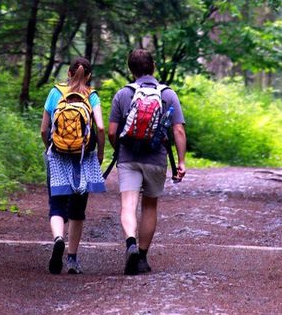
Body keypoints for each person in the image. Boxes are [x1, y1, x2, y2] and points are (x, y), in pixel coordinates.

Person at [107, 46, 186, 275]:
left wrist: (120, 150)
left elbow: (112, 131)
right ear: (153, 66)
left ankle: (130, 242)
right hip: (156, 158)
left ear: (131, 70)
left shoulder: (123, 94)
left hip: (129, 157)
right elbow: (178, 130)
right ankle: (141, 256)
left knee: (128, 205)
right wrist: (181, 162)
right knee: (149, 205)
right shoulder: (167, 94)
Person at [41, 56, 106, 274]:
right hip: (83, 158)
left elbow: (43, 129)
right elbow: (101, 128)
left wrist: (51, 146)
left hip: (57, 156)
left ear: (68, 73)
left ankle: (58, 238)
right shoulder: (92, 96)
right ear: (88, 76)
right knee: (78, 211)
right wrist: (100, 154)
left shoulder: (55, 93)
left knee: (56, 205)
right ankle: (71, 259)